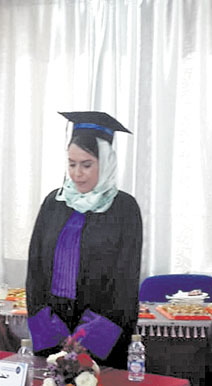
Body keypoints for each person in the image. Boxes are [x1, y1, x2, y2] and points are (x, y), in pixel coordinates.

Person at [26, 111, 142, 369]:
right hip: (51, 330)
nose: (77, 173)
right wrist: (50, 329)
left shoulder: (124, 208)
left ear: (106, 162)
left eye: (87, 165)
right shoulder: (54, 203)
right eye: (72, 164)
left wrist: (85, 338)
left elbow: (125, 282)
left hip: (103, 335)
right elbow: (35, 271)